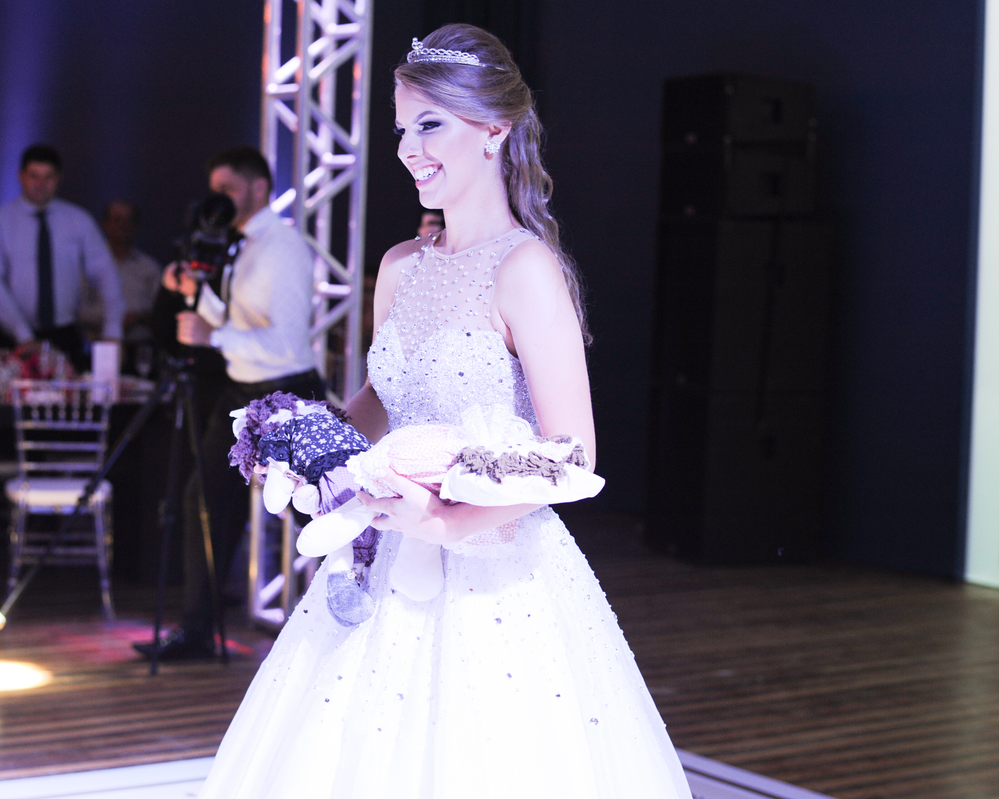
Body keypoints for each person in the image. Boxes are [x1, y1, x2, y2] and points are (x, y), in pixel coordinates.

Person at [196, 25, 692, 798]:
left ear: (494, 128)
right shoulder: (400, 266)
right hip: (387, 553)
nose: (409, 149)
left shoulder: (526, 269)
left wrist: (448, 522)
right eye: (401, 129)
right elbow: (383, 401)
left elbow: (574, 452)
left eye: (430, 124)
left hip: (496, 572)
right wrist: (302, 434)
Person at [133, 146, 323, 661]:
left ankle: (355, 615)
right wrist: (196, 293)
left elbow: (284, 343)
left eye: (228, 189)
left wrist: (211, 337)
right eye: (213, 190)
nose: (217, 199)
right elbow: (235, 322)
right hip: (242, 392)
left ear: (259, 188)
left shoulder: (283, 248)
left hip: (286, 393)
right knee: (205, 498)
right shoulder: (243, 245)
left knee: (315, 510)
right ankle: (197, 630)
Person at [0, 144, 123, 371]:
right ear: (21, 176)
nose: (41, 184)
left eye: (48, 177)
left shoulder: (78, 221)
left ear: (58, 179)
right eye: (34, 176)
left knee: (72, 392)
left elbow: (107, 274)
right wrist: (23, 335)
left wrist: (113, 332)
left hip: (63, 335)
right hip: (11, 336)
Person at [76, 200, 162, 346]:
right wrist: (112, 319)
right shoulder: (89, 264)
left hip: (139, 346)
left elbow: (161, 311)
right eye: (117, 220)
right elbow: (77, 307)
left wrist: (138, 317)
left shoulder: (149, 267)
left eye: (129, 220)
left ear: (136, 225)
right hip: (98, 344)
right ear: (105, 224)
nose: (123, 225)